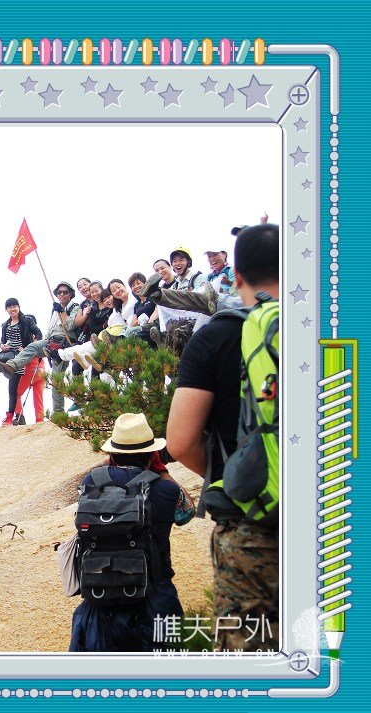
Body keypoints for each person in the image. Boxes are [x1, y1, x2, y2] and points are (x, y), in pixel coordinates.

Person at [166, 223, 280, 652]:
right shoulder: (334, 327)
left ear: (237, 276)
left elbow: (180, 441)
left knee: (250, 663)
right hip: (335, 522)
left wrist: (233, 476)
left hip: (251, 530)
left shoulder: (214, 336)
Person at [69, 413, 189, 651]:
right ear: (151, 455)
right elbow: (186, 514)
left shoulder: (90, 482)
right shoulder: (166, 489)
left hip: (99, 601)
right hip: (155, 599)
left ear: (112, 454)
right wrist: (162, 472)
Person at [0, 281, 83, 414]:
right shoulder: (55, 308)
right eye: (59, 292)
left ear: (70, 294)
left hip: (64, 343)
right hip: (51, 341)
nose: (61, 295)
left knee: (56, 377)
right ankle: (11, 366)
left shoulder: (74, 307)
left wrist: (62, 312)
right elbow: (51, 327)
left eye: (65, 292)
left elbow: (71, 326)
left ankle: (58, 412)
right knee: (33, 347)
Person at [0, 298, 42, 425]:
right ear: (6, 309)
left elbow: (39, 334)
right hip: (6, 354)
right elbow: (2, 340)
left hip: (19, 358)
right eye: (9, 307)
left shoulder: (27, 321)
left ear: (19, 307)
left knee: (12, 389)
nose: (12, 309)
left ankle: (10, 417)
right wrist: (2, 345)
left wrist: (29, 348)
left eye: (14, 306)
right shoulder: (5, 324)